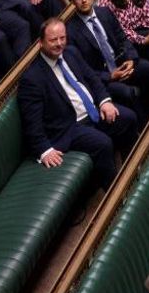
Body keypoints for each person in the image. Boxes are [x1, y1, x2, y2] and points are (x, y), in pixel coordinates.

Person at [20, 17, 136, 187]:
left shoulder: (71, 52)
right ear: (40, 43)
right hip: (69, 127)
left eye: (62, 38)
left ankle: (131, 171)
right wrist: (44, 150)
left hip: (94, 111)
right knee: (102, 143)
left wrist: (104, 101)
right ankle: (116, 195)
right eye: (53, 40)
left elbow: (93, 78)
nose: (60, 44)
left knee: (129, 118)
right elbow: (32, 123)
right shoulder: (32, 78)